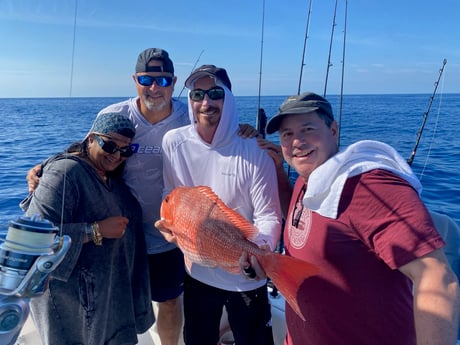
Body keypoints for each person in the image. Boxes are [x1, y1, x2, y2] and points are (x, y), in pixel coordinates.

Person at [25, 48, 260, 345]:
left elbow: (219, 129)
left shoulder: (188, 115)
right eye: (146, 78)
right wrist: (45, 167)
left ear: (173, 83)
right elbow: (86, 148)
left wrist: (247, 132)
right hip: (121, 232)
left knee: (171, 300)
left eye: (162, 80)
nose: (154, 87)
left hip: (174, 232)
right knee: (111, 303)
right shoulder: (113, 115)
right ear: (135, 80)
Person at [242, 91, 460, 345]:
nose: (296, 142)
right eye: (287, 134)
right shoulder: (312, 179)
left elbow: (436, 276)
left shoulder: (371, 186)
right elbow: (296, 216)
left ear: (333, 130)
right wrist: (278, 170)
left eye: (307, 129)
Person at [157, 64, 282, 345]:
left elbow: (269, 215)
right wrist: (169, 228)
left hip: (247, 277)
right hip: (197, 273)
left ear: (228, 97)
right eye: (197, 94)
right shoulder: (173, 143)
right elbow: (171, 193)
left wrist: (260, 253)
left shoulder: (254, 149)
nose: (206, 102)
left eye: (215, 93)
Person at [20, 112, 155, 345]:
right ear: (91, 138)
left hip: (106, 295)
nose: (116, 155)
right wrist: (95, 230)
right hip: (69, 299)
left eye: (126, 150)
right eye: (110, 145)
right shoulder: (66, 172)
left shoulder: (111, 177)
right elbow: (30, 240)